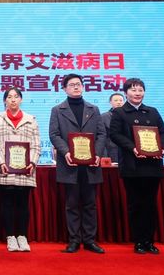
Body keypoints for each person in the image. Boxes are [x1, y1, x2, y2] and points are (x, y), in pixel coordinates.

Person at [109, 78, 164, 254]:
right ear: (126, 92)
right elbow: (114, 134)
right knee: (136, 204)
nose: (137, 93)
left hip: (153, 165)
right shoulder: (119, 112)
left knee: (150, 204)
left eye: (140, 90)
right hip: (132, 165)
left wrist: (162, 149)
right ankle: (139, 241)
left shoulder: (152, 111)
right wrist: (133, 148)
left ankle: (150, 240)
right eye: (133, 90)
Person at [49, 74, 105, 254]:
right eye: (72, 84)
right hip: (69, 164)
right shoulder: (58, 110)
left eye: (78, 84)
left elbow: (101, 134)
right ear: (64, 89)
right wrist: (66, 152)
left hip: (90, 164)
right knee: (72, 204)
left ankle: (90, 240)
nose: (76, 87)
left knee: (90, 204)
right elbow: (54, 134)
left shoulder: (93, 109)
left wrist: (97, 154)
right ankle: (74, 240)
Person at [0, 87, 41, 252]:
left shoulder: (31, 119)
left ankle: (22, 236)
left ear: (21, 99)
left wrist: (32, 162)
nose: (13, 99)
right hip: (4, 169)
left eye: (16, 96)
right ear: (5, 100)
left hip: (25, 169)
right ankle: (10, 236)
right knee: (6, 203)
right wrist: (0, 162)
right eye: (9, 97)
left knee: (22, 204)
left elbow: (36, 144)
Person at [101, 93, 124, 162]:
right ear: (110, 102)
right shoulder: (104, 117)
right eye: (116, 100)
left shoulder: (129, 116)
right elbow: (102, 137)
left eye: (121, 100)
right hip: (111, 150)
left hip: (126, 149)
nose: (119, 102)